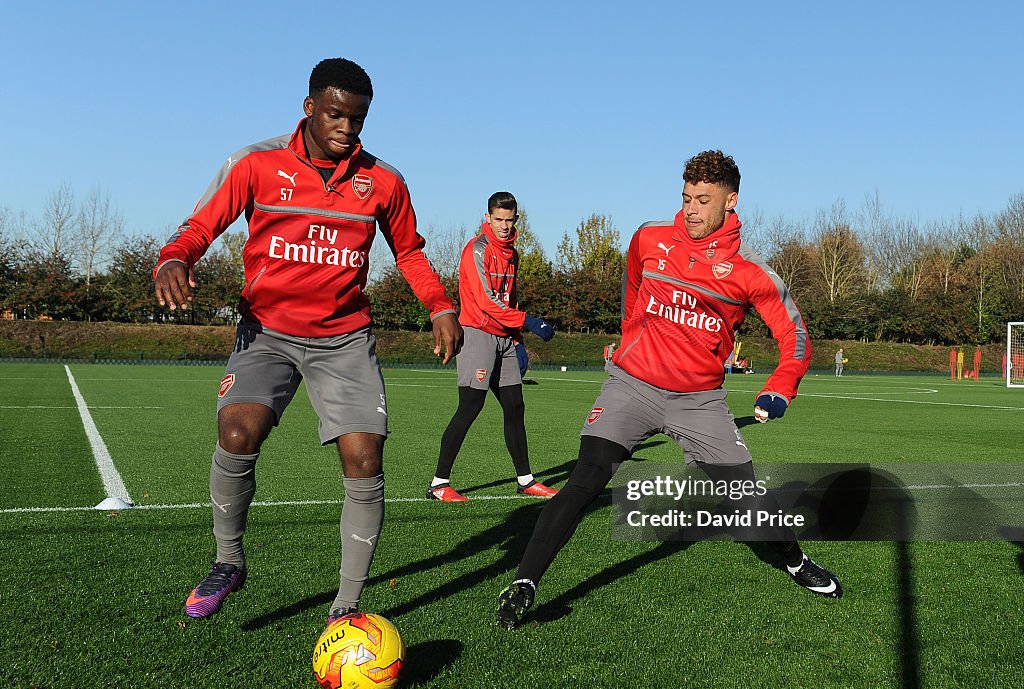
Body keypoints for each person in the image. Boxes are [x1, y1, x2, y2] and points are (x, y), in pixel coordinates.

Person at [153, 58, 462, 625]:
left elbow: (410, 253)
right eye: (337, 115)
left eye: (359, 120)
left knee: (364, 458)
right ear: (310, 108)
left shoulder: (385, 181)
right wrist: (175, 257)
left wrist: (441, 306)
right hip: (266, 333)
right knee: (238, 430)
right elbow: (199, 226)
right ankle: (228, 561)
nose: (348, 129)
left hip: (344, 340)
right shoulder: (256, 164)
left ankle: (345, 608)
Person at [495, 150, 842, 630]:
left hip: (699, 402)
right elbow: (632, 288)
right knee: (587, 476)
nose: (693, 208)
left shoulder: (750, 275)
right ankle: (524, 584)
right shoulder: (649, 237)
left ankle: (795, 560)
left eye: (704, 199)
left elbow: (796, 336)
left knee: (745, 499)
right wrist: (632, 338)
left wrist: (779, 388)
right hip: (631, 387)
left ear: (731, 201)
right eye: (686, 197)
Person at [427, 192, 557, 502]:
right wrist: (528, 321)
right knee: (470, 407)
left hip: (505, 339)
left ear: (516, 220)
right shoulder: (477, 249)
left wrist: (517, 336)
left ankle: (525, 480)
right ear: (488, 218)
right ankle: (438, 484)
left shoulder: (513, 252)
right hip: (477, 333)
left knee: (515, 407)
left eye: (508, 220)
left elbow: (509, 298)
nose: (503, 225)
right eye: (498, 219)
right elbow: (486, 303)